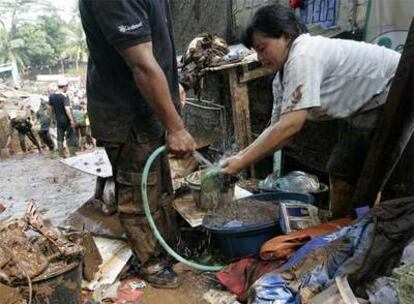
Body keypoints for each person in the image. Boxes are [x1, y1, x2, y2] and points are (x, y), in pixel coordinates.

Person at [220, 4, 409, 219]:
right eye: (256, 52)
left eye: (263, 48)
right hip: (367, 106)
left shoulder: (303, 55)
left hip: (394, 91)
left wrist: (241, 162)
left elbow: (291, 126)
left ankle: (361, 230)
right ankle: (341, 227)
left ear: (285, 35)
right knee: (342, 171)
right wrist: (240, 156)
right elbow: (276, 129)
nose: (260, 58)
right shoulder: (282, 76)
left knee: (371, 178)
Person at [79, 0, 195, 288]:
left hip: (147, 109)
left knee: (158, 189)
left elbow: (153, 46)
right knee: (139, 193)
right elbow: (141, 64)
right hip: (127, 114)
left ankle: (166, 250)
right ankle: (151, 262)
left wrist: (171, 83)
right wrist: (176, 127)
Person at [48, 79, 78, 157]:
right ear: (64, 86)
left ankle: (61, 155)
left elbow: (50, 109)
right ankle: (72, 154)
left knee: (60, 137)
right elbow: (67, 109)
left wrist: (52, 118)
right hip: (66, 120)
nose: (67, 88)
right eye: (67, 86)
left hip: (59, 120)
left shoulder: (52, 96)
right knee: (71, 136)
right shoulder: (65, 96)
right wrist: (71, 120)